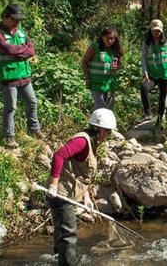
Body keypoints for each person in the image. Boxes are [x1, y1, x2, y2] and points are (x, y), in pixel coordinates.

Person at [45, 108, 117, 265]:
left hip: (67, 192)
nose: (108, 135)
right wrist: (54, 185)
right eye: (108, 132)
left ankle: (58, 258)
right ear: (99, 129)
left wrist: (86, 198)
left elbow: (83, 174)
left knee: (61, 230)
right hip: (59, 193)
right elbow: (59, 155)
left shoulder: (91, 142)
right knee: (68, 232)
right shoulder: (82, 141)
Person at [0, 4, 42, 148]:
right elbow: (7, 49)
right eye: (14, 19)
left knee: (32, 103)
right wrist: (22, 51)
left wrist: (20, 52)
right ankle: (9, 137)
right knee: (10, 107)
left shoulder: (21, 32)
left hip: (24, 75)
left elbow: (31, 50)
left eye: (19, 20)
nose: (17, 23)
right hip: (7, 77)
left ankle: (34, 130)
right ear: (5, 17)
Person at [140, 19, 167, 129]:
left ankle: (160, 121)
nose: (156, 33)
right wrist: (145, 72)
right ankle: (148, 114)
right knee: (144, 87)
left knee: (163, 98)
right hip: (153, 74)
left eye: (158, 31)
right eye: (154, 31)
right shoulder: (146, 43)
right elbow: (144, 57)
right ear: (150, 30)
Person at [82, 28, 123, 110]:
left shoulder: (115, 50)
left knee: (109, 110)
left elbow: (121, 65)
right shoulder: (95, 47)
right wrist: (87, 78)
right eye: (108, 38)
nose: (110, 41)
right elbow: (84, 61)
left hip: (110, 84)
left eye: (112, 39)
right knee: (100, 110)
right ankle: (94, 123)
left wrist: (117, 67)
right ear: (102, 37)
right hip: (96, 84)